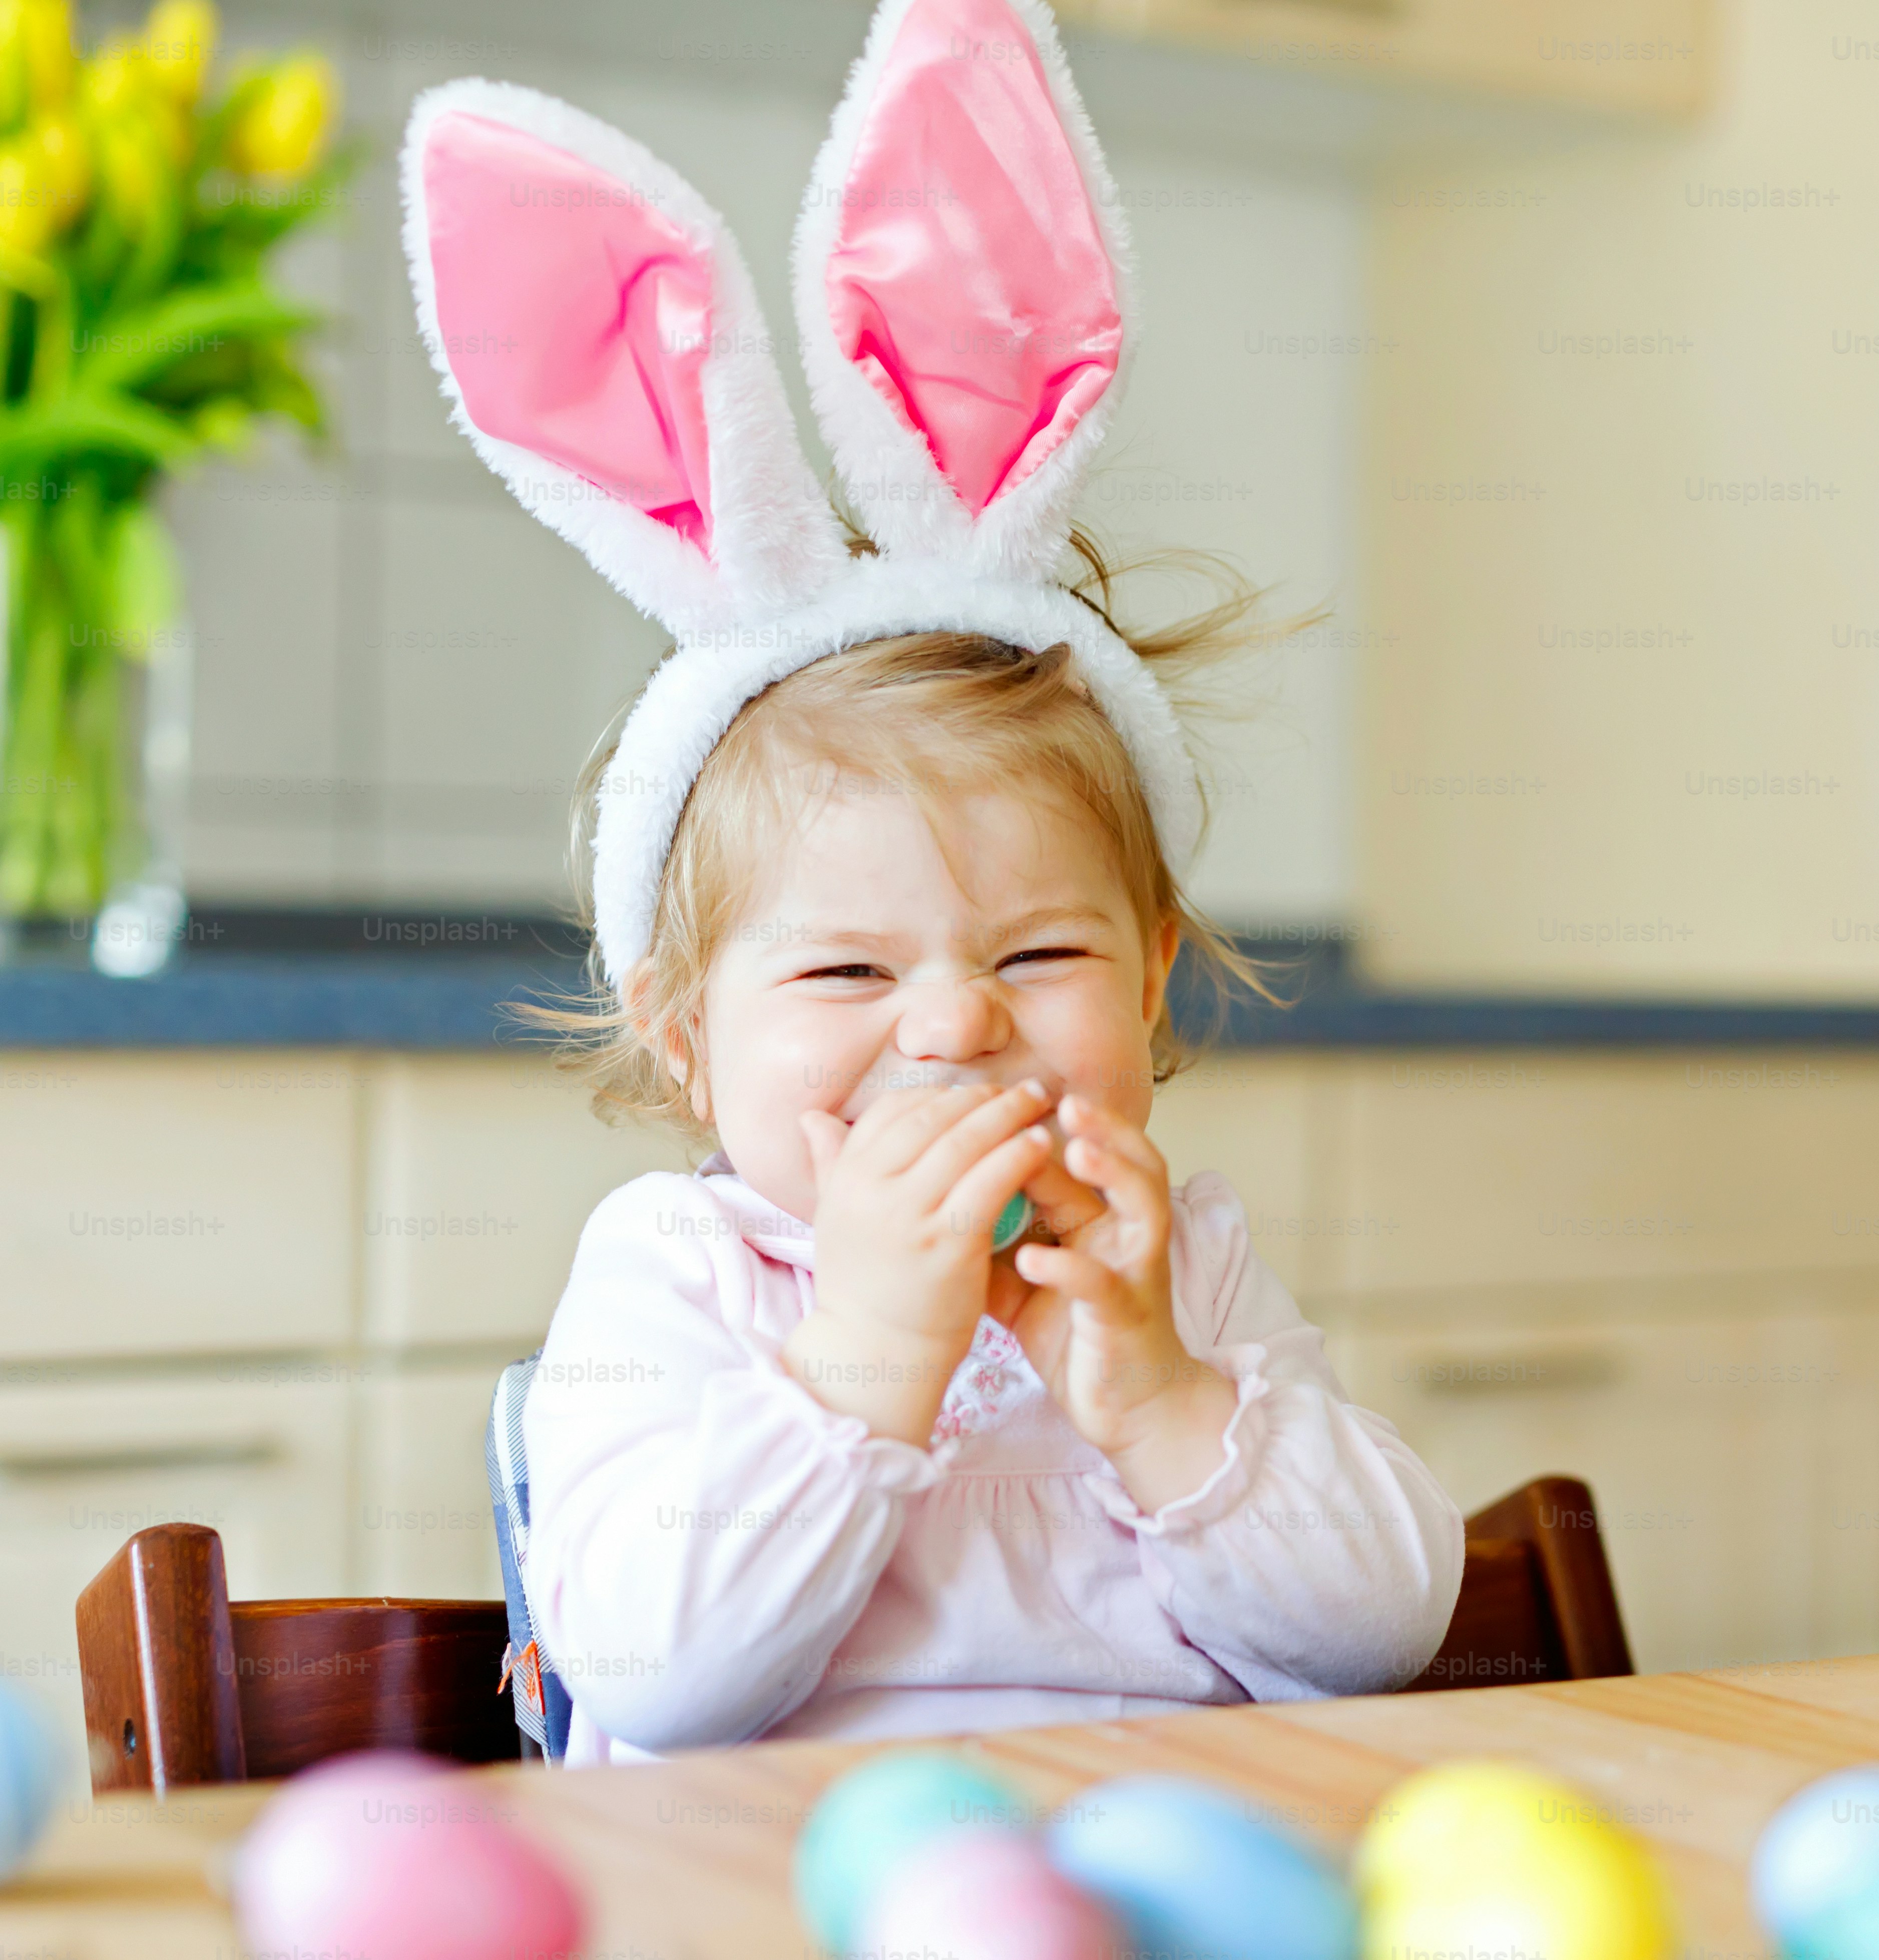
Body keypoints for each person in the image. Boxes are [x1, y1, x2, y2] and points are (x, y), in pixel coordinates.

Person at [399, 0, 1463, 1768]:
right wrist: (865, 1352)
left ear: (1146, 985)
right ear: (685, 1044)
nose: (956, 1024)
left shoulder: (1174, 1268)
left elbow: (1381, 1634)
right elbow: (659, 1678)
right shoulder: (684, 1274)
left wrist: (1160, 1394)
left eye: (1037, 950)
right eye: (841, 977)